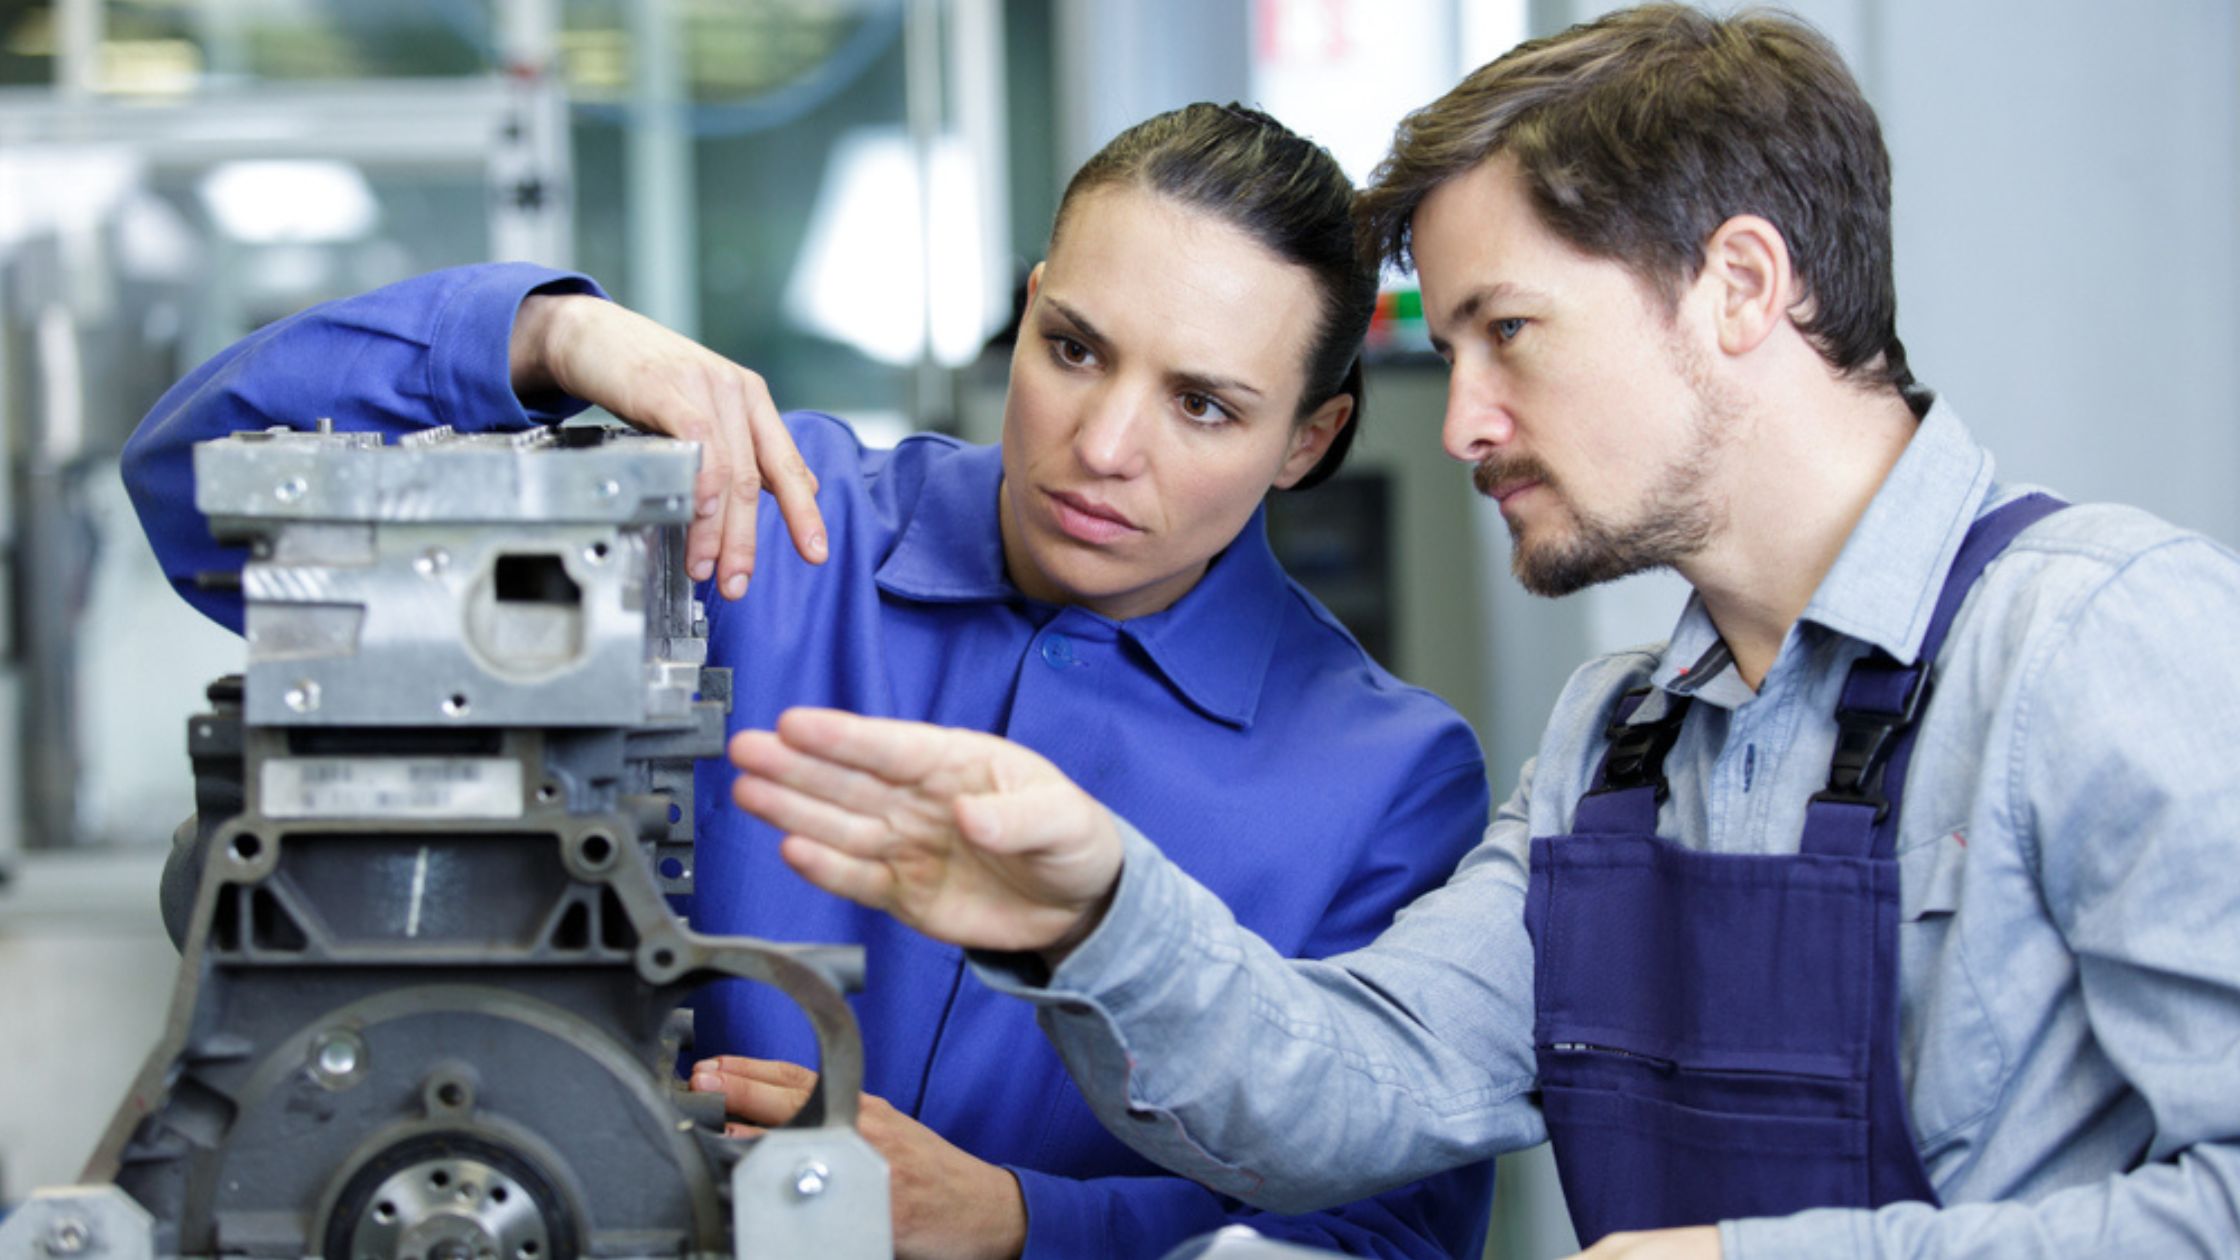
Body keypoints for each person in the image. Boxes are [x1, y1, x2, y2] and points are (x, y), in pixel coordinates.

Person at [722, 8, 2240, 1259]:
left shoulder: (2101, 640)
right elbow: (1364, 1089)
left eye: (1505, 333)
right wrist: (1099, 910)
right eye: (1447, 353)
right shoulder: (1616, 743)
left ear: (1740, 287)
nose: (1459, 424)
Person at [122, 104, 1500, 1259]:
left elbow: (1389, 1235)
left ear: (1311, 440)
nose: (1103, 444)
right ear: (1026, 315)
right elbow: (200, 500)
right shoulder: (759, 528)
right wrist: (547, 338)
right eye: (1073, 350)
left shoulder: (1383, 781)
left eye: (1203, 404)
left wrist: (1024, 1220)